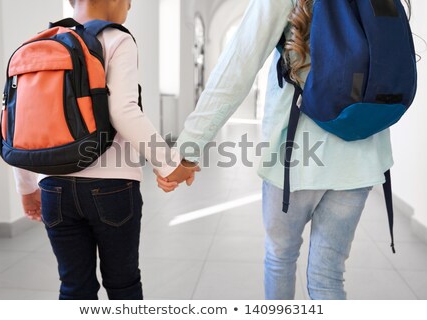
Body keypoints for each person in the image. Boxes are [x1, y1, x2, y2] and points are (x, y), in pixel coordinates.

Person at [158, 0, 411, 299]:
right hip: (361, 157)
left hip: (295, 158)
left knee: (280, 258)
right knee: (328, 274)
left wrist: (188, 149)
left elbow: (237, 66)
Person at [15, 0, 199, 300]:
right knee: (123, 284)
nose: (129, 7)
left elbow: (24, 125)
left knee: (74, 286)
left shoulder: (40, 43)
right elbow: (123, 111)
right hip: (112, 187)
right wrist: (169, 163)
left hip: (54, 188)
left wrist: (26, 186)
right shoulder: (117, 39)